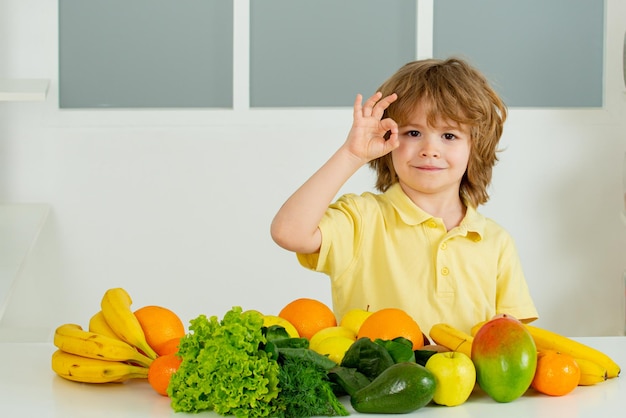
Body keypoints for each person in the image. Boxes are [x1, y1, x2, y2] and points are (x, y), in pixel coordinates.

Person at [270, 57, 538, 335]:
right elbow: (288, 232)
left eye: (449, 135)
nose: (429, 149)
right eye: (413, 132)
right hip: (376, 379)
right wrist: (351, 155)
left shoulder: (496, 242)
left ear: (476, 146)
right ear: (388, 138)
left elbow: (512, 336)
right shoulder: (362, 219)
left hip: (468, 378)